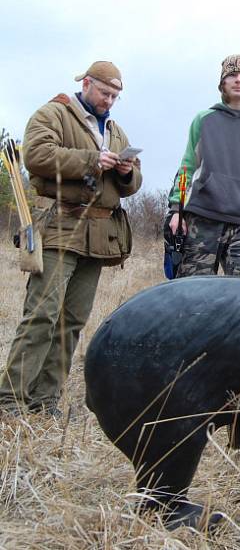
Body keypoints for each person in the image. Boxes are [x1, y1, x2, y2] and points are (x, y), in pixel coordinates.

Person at [0, 61, 141, 418]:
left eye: (115, 96)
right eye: (105, 92)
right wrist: (93, 160)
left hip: (98, 238)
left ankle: (44, 402)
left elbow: (133, 184)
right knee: (42, 316)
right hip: (60, 229)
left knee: (72, 322)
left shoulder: (116, 131)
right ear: (87, 84)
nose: (109, 100)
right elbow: (37, 156)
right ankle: (10, 401)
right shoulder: (53, 113)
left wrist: (126, 172)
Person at [166, 54, 240, 304]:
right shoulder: (204, 120)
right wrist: (177, 209)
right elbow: (187, 168)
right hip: (202, 219)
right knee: (190, 299)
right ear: (222, 82)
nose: (238, 80)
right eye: (232, 75)